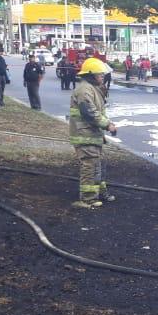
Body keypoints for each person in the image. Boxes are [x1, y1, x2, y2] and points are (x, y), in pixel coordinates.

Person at [69, 57, 118, 209]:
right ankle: (87, 199)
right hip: (85, 136)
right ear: (90, 75)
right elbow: (89, 112)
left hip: (92, 135)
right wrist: (107, 125)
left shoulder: (92, 88)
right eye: (100, 74)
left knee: (98, 165)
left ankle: (99, 192)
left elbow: (98, 111)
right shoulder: (85, 90)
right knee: (89, 167)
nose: (102, 77)